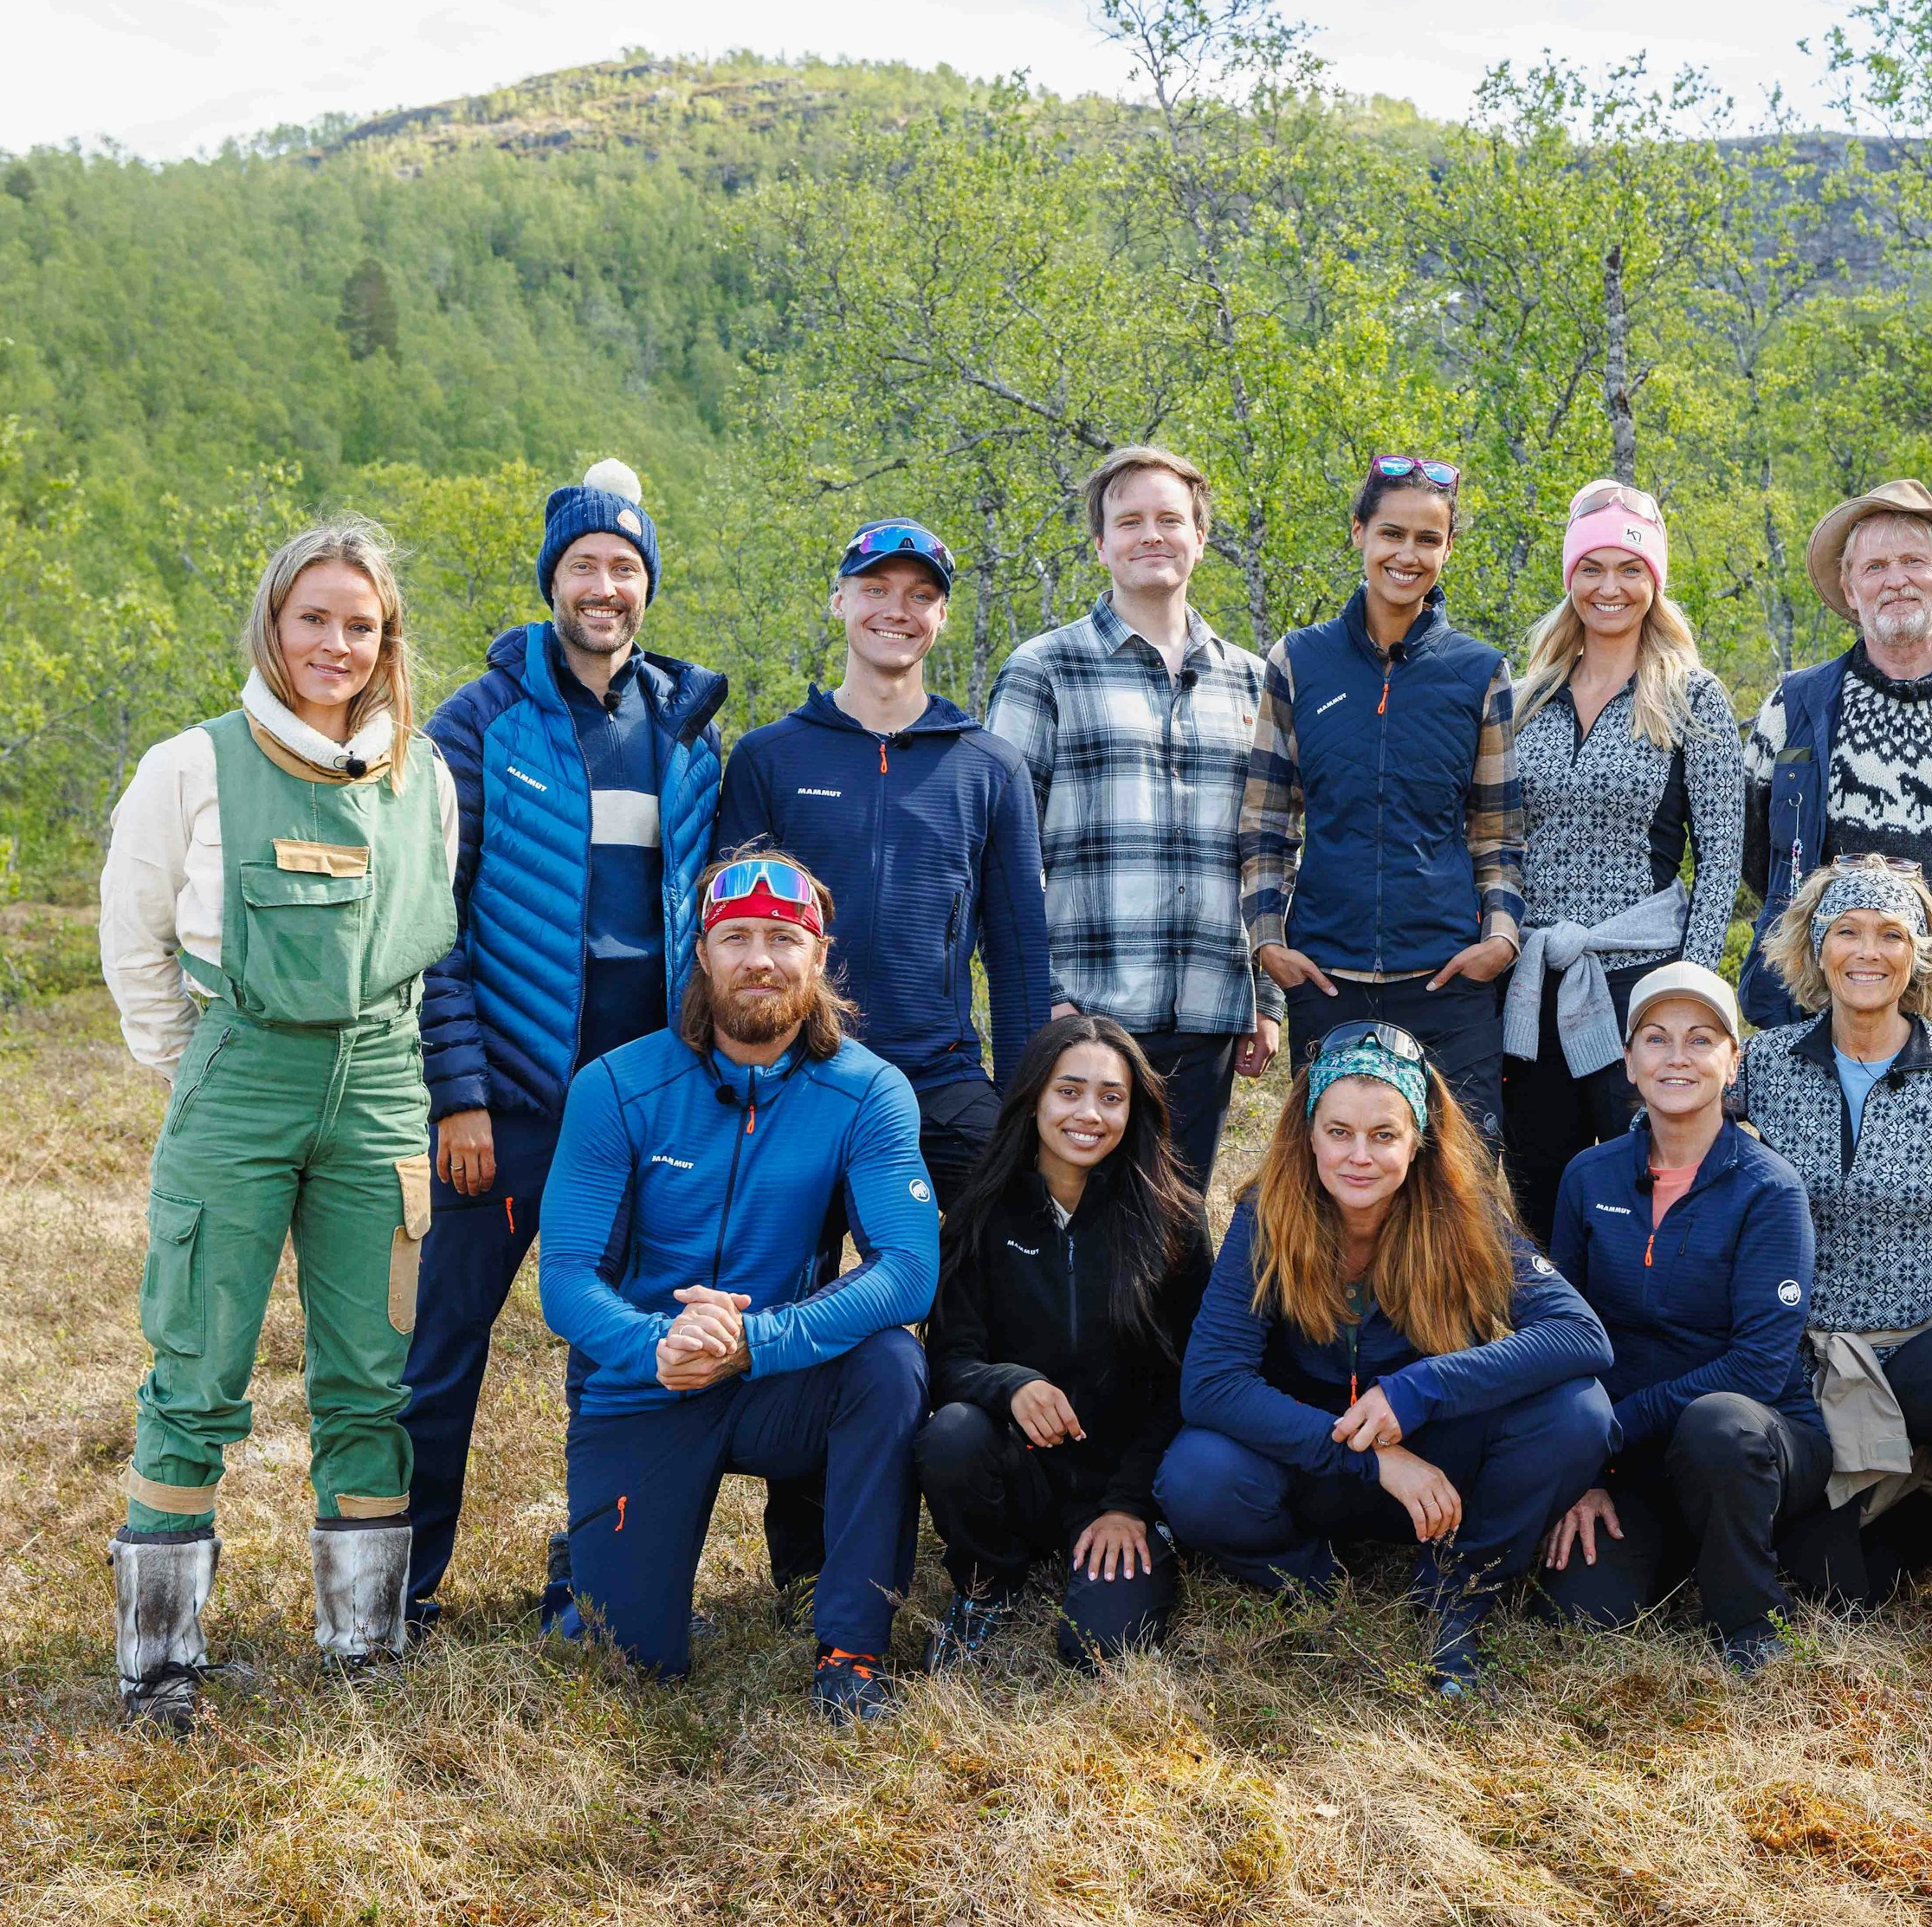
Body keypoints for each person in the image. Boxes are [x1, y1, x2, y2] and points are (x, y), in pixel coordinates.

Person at [96, 520, 459, 1727]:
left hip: (381, 1082)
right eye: (315, 618)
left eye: (362, 624)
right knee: (196, 1367)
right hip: (241, 1076)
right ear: (273, 621)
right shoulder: (190, 765)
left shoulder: (427, 772)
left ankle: (364, 1644)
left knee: (371, 1372)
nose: (337, 644)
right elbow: (132, 932)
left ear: (387, 636)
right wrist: (195, 1067)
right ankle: (159, 1661)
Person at [405, 458, 727, 1630]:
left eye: (624, 567)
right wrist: (460, 1094)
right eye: (584, 564)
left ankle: (591, 1578)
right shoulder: (477, 722)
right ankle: (401, 1588)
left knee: (616, 1357)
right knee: (445, 1347)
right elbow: (432, 921)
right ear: (553, 580)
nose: (605, 585)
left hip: (642, 1108)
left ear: (648, 586)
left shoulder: (688, 730)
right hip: (514, 1104)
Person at [533, 850, 938, 1722]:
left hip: (778, 1380)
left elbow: (910, 1269)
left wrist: (759, 1340)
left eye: (784, 938)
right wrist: (660, 1344)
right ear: (704, 955)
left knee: (891, 1365)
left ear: (818, 956)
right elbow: (565, 1281)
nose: (761, 957)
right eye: (737, 936)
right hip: (652, 1379)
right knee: (628, 1654)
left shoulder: (869, 1091)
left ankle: (852, 1652)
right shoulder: (614, 1085)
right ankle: (587, 1564)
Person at [1155, 1023, 1613, 1691]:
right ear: (1309, 1132)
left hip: (1434, 1468)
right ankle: (1312, 1578)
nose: (1358, 1156)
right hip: (1311, 1458)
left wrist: (1418, 1388)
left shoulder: (1464, 1211)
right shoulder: (1267, 1216)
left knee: (1578, 1412)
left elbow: (1581, 1335)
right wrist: (1368, 1456)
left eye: (1383, 1135)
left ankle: (1457, 1590)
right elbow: (1211, 1384)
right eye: (1338, 1131)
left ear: (1418, 1139)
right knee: (1195, 1471)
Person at [1736, 858, 1932, 1710]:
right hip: (1797, 1368)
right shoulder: (1762, 1064)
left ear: (1921, 955)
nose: (1868, 950)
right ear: (1817, 947)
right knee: (1840, 1589)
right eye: (1848, 931)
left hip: (1909, 1354)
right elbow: (1679, 1142)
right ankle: (1907, 1512)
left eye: (1891, 935)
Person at [717, 518, 1052, 1209]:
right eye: (876, 588)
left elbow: (1020, 958)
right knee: (775, 1300)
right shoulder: (768, 758)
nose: (897, 610)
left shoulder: (990, 767)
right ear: (839, 601)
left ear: (942, 616)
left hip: (941, 1082)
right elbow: (724, 938)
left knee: (982, 1294)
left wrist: (1024, 1106)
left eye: (921, 595)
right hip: (795, 1073)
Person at [986, 446, 1283, 1202]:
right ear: (1102, 545)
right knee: (1074, 1226)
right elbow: (999, 852)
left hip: (1209, 1011)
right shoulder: (1044, 669)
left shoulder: (1253, 680)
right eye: (1130, 521)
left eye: (1169, 519)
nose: (1151, 535)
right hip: (1083, 1012)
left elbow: (1273, 851)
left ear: (1200, 537)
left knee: (1178, 1230)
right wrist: (1038, 997)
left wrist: (1266, 997)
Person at [1535, 961, 1825, 1678]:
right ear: (1629, 1061)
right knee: (1582, 1610)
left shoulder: (1770, 1188)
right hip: (1628, 1452)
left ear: (1734, 1062)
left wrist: (1616, 1425)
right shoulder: (1589, 1176)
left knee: (1716, 1423)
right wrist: (1584, 1468)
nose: (1677, 1057)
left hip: (1753, 1437)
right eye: (1657, 1039)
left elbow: (1758, 1366)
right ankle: (1678, 1551)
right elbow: (1562, 1332)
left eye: (1701, 1039)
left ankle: (1748, 1616)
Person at [1237, 456, 1522, 1145]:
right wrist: (1268, 940)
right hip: (1325, 979)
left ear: (1448, 549)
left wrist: (1501, 938)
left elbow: (1498, 830)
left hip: (1447, 983)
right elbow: (1266, 820)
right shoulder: (1299, 662)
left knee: (1460, 1192)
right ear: (1359, 533)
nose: (1407, 554)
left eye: (1429, 539)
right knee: (1337, 1182)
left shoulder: (1480, 671)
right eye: (1392, 533)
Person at [917, 1014, 1211, 1672]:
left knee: (1098, 1651)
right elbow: (948, 1361)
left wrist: (1128, 1504)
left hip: (1126, 1480)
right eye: (1068, 1090)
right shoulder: (980, 1211)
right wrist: (1012, 1384)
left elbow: (1191, 1377)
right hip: (1018, 1472)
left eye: (1111, 1097)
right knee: (952, 1434)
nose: (1089, 1113)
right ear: (1034, 1097)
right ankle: (986, 1584)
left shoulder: (1174, 1219)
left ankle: (1124, 1549)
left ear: (1134, 1109)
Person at [1501, 480, 1745, 1229]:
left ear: (1656, 580)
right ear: (1569, 576)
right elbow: (1496, 838)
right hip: (1535, 981)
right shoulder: (1524, 698)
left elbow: (1721, 859)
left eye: (1630, 569)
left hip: (1639, 987)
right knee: (1542, 1186)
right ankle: (1555, 1335)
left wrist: (1688, 991)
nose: (1611, 588)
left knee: (1649, 1182)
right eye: (1592, 568)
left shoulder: (1692, 699)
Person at [1739, 481, 1932, 1049]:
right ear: (1850, 589)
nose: (1896, 580)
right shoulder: (1794, 707)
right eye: (1876, 566)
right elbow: (1757, 851)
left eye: (1914, 561)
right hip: (1816, 1018)